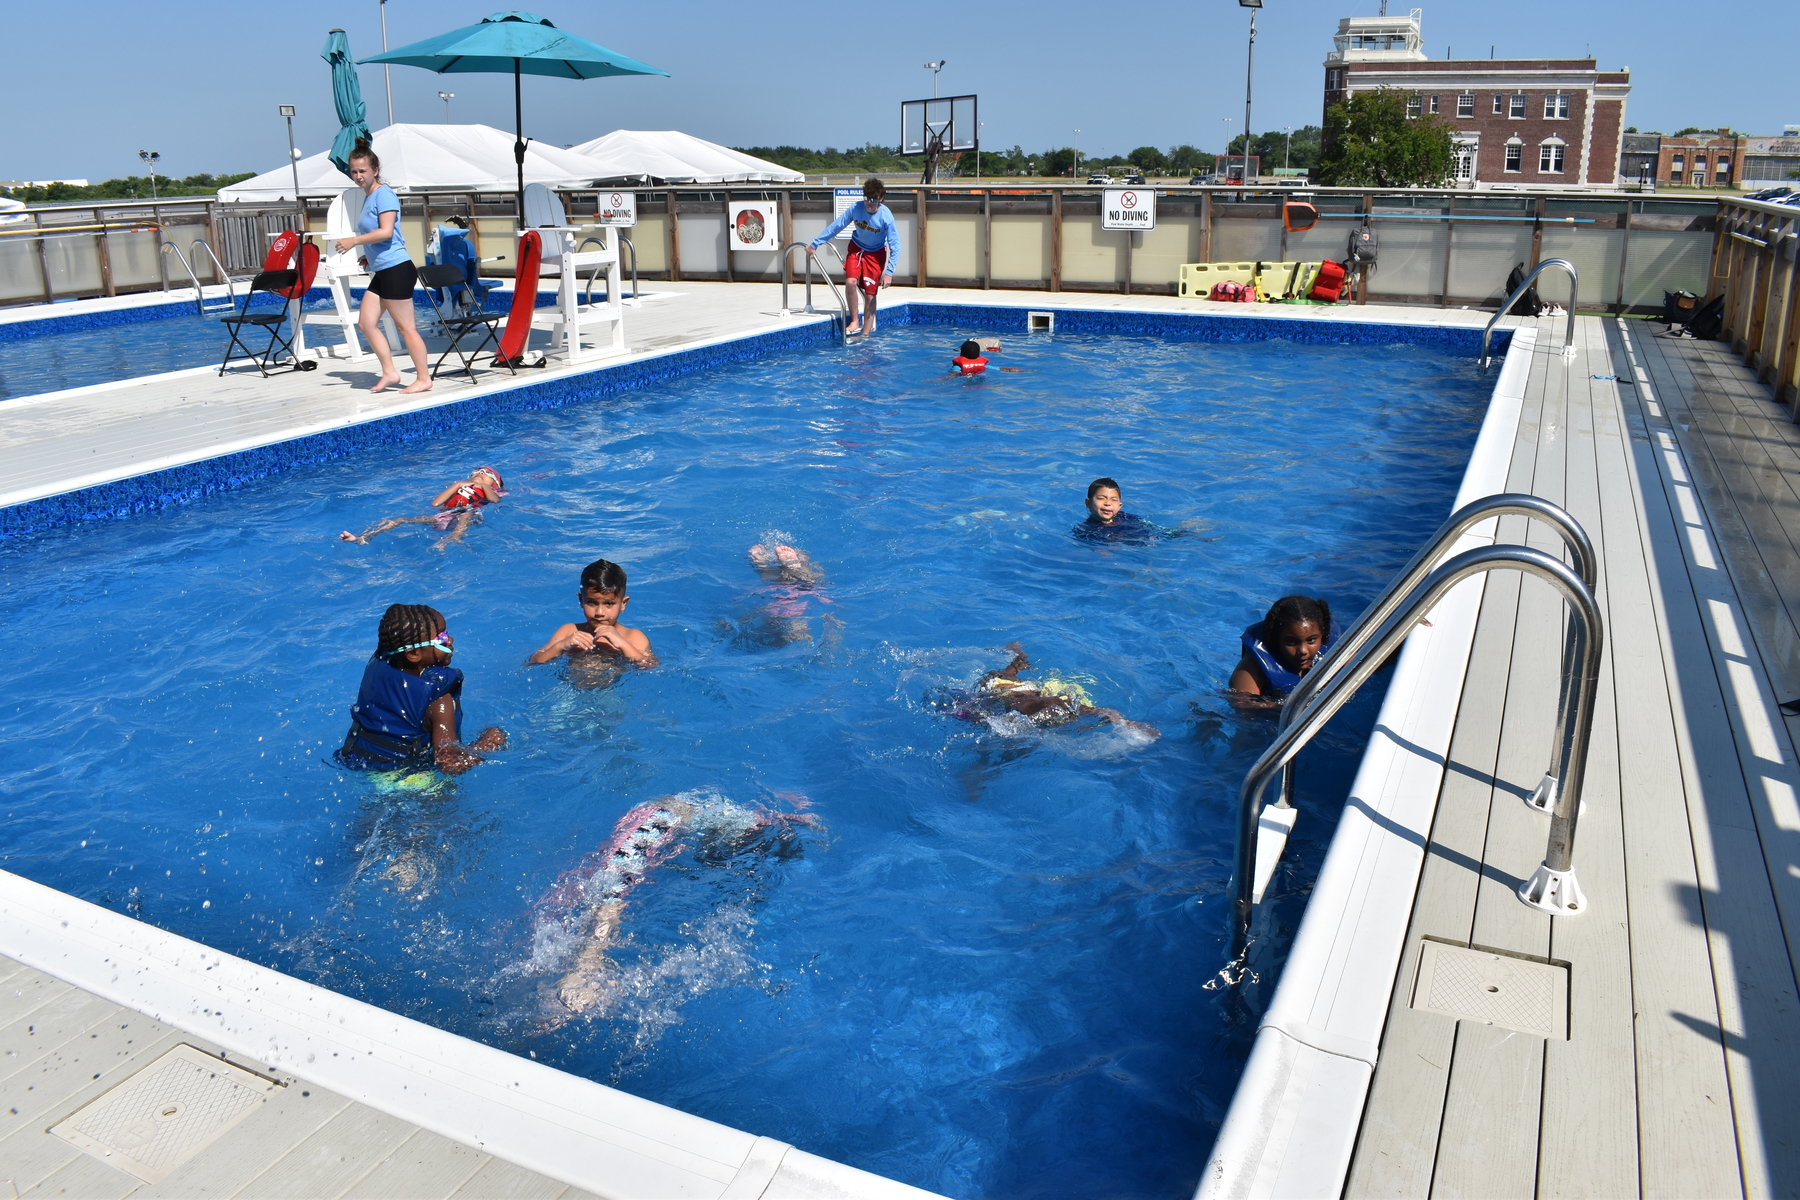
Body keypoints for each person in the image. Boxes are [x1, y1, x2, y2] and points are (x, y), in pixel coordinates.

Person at [334, 604, 506, 775]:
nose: (450, 640)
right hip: (410, 783)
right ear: (413, 654)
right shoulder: (439, 700)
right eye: (442, 638)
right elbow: (450, 765)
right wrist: (487, 744)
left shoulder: (382, 664)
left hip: (357, 764)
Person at [336, 143, 433, 395]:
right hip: (383, 268)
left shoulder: (384, 194)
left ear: (375, 170)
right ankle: (389, 372)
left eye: (363, 171)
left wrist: (354, 242)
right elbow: (378, 235)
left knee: (405, 327)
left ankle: (423, 378)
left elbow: (386, 231)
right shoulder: (368, 196)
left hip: (397, 268)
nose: (358, 176)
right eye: (354, 172)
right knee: (366, 323)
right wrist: (370, 256)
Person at [933, 642, 1159, 742]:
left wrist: (1125, 724)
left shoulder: (997, 686)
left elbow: (1103, 711)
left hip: (1021, 697)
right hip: (1016, 695)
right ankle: (1017, 653)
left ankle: (1017, 654)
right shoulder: (995, 683)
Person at [808, 178, 899, 336]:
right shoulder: (856, 208)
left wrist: (889, 272)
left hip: (876, 254)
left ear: (881, 199)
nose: (869, 203)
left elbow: (895, 245)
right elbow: (837, 226)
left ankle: (865, 333)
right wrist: (815, 244)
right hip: (856, 249)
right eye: (866, 198)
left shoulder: (886, 217)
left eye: (873, 199)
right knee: (850, 282)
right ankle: (855, 321)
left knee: (870, 294)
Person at [529, 558, 658, 668]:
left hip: (611, 692)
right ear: (581, 600)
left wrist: (622, 644)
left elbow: (649, 666)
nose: (599, 612)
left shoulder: (632, 636)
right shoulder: (568, 631)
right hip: (570, 691)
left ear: (623, 604)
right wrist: (561, 646)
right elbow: (534, 661)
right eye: (592, 603)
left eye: (608, 604)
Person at [339, 466, 503, 550]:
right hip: (444, 516)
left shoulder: (494, 491)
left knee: (466, 515)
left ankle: (449, 541)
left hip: (469, 515)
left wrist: (483, 487)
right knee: (402, 519)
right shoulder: (461, 485)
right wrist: (458, 485)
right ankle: (363, 537)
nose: (480, 473)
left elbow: (494, 500)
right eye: (477, 471)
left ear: (494, 484)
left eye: (487, 473)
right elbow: (435, 504)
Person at [1229, 595, 1339, 706]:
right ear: (1276, 639)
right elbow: (1243, 710)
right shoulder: (1251, 669)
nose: (1303, 651)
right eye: (1291, 642)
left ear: (1322, 636)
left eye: (1311, 640)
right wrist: (1282, 707)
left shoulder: (1333, 650)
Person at [1071, 477, 1158, 545]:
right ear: (1088, 503)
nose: (1108, 503)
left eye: (1114, 499)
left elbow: (1152, 527)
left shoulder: (1126, 517)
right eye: (1101, 498)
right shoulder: (1086, 530)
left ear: (1119, 506)